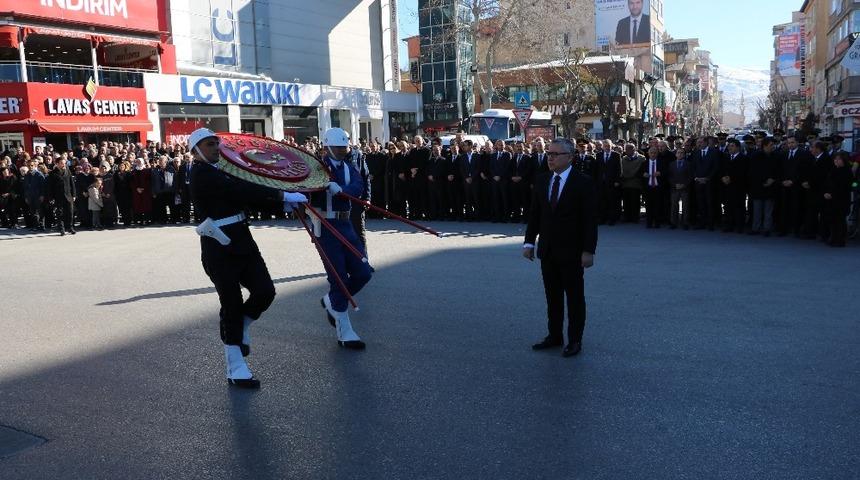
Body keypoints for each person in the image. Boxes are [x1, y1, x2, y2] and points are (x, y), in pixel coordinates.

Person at [188, 128, 307, 389]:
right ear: (195, 151)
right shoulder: (201, 173)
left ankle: (240, 325)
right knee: (231, 302)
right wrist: (281, 194)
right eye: (209, 145)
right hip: (218, 245)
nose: (215, 149)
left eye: (216, 144)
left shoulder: (219, 171)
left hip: (242, 239)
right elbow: (241, 191)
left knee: (265, 291)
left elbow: (243, 197)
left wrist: (282, 204)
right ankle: (235, 367)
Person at [523, 138, 598, 358]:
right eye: (549, 154)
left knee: (574, 298)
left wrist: (588, 250)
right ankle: (554, 336)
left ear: (570, 157)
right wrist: (529, 243)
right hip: (548, 250)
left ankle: (574, 340)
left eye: (555, 154)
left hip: (573, 251)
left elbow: (589, 220)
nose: (551, 158)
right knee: (552, 296)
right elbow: (535, 214)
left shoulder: (583, 182)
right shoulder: (542, 180)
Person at [312, 128, 373, 350]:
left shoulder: (349, 167)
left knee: (363, 272)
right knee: (338, 277)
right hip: (325, 226)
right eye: (338, 147)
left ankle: (332, 301)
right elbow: (306, 190)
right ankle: (345, 332)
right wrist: (320, 187)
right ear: (327, 147)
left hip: (345, 224)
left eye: (344, 146)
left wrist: (341, 189)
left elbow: (357, 187)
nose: (342, 150)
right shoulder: (317, 169)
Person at [747, 137, 778, 236]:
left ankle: (766, 229)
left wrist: (772, 179)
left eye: (773, 145)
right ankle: (755, 228)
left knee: (768, 211)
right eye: (771, 145)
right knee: (757, 210)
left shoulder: (776, 156)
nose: (773, 147)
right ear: (764, 146)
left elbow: (778, 170)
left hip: (771, 187)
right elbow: (753, 172)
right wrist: (763, 181)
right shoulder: (756, 156)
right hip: (758, 187)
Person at [823, 152, 853, 247]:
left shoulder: (847, 172)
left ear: (844, 160)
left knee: (840, 220)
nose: (836, 161)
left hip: (841, 200)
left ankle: (840, 239)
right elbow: (827, 183)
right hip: (831, 199)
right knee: (832, 219)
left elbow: (844, 187)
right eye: (835, 159)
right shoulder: (833, 170)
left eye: (839, 159)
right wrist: (826, 192)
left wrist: (832, 194)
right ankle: (833, 237)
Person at [48, 156, 76, 235]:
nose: (63, 165)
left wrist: (74, 194)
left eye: (64, 163)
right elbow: (50, 187)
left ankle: (70, 227)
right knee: (60, 213)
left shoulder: (68, 171)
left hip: (68, 195)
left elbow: (72, 183)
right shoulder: (53, 173)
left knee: (70, 212)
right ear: (57, 164)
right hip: (58, 196)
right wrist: (51, 197)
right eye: (61, 163)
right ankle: (61, 229)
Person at [667, 146, 692, 229]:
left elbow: (690, 176)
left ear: (684, 155)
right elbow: (669, 176)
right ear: (676, 154)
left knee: (685, 206)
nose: (680, 154)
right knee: (674, 205)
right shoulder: (671, 164)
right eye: (678, 153)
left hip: (685, 188)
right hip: (674, 188)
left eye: (682, 153)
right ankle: (673, 222)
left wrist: (684, 184)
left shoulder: (688, 164)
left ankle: (685, 222)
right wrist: (674, 184)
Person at [643, 147, 667, 228]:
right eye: (651, 153)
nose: (653, 154)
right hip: (648, 187)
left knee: (658, 205)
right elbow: (639, 174)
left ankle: (657, 222)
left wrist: (661, 173)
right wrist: (644, 175)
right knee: (648, 205)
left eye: (655, 153)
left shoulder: (662, 163)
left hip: (658, 187)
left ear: (657, 154)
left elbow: (667, 173)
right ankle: (649, 222)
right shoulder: (644, 163)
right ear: (648, 154)